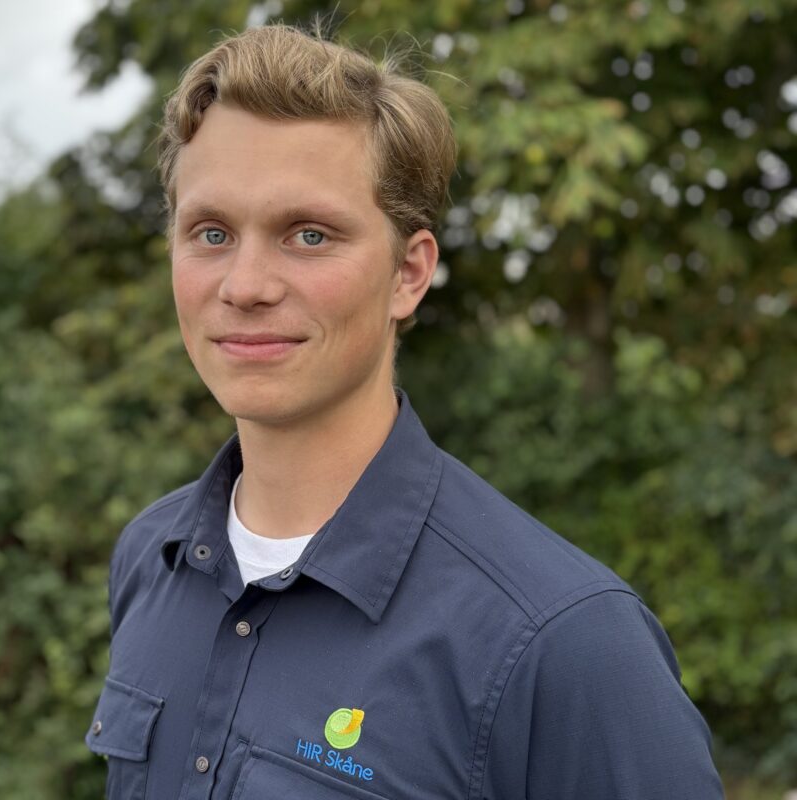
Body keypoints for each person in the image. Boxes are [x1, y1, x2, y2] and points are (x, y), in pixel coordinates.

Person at [85, 23, 723, 800]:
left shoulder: (567, 644)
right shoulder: (150, 559)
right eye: (211, 233)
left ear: (409, 273)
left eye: (308, 234)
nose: (245, 284)